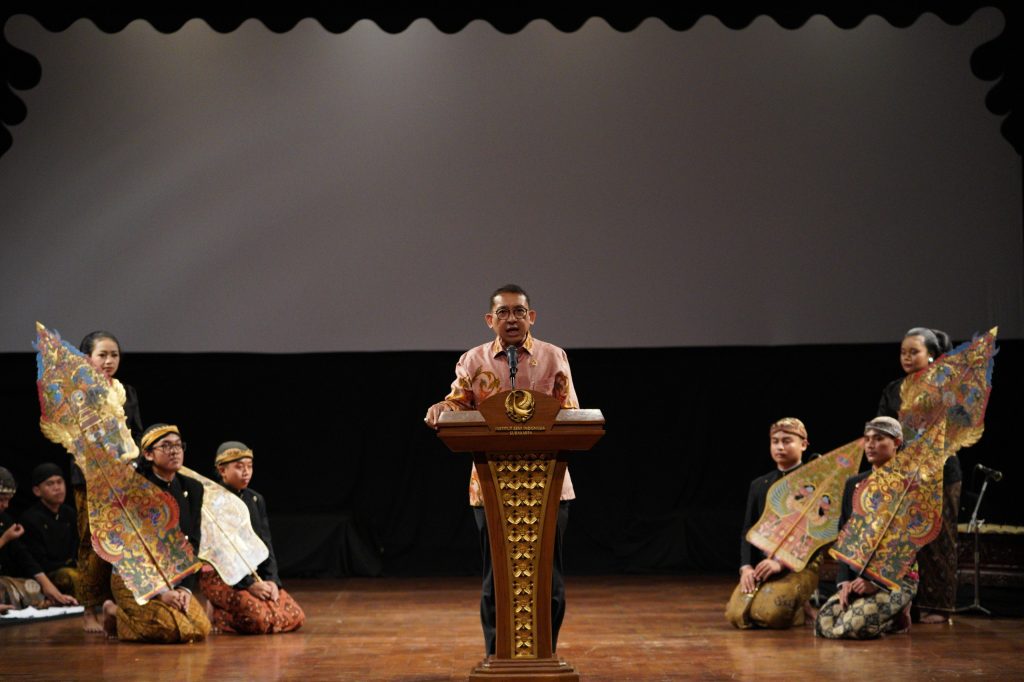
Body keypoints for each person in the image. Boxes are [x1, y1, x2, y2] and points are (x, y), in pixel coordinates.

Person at [425, 284, 577, 656]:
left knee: (548, 581)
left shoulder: (554, 357)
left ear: (532, 317)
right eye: (504, 313)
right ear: (490, 320)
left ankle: (544, 655)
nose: (512, 319)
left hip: (549, 486)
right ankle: (497, 657)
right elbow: (457, 402)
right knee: (498, 580)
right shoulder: (473, 360)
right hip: (490, 485)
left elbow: (571, 414)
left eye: (519, 312)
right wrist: (441, 408)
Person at [877, 326, 958, 624]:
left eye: (914, 352)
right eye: (903, 352)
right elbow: (883, 426)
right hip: (903, 472)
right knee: (904, 539)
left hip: (939, 472)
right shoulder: (892, 389)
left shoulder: (945, 388)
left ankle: (941, 606)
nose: (907, 357)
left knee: (938, 538)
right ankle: (907, 603)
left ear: (932, 355)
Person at [101, 424, 210, 642]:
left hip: (174, 578)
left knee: (200, 628)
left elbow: (192, 544)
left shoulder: (193, 488)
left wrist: (184, 591)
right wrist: (160, 593)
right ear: (148, 454)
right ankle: (115, 612)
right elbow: (130, 551)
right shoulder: (133, 490)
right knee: (176, 629)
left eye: (178, 445)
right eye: (166, 446)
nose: (175, 451)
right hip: (134, 577)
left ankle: (129, 614)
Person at [815, 417, 917, 639]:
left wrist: (875, 582)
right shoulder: (854, 483)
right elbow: (845, 534)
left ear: (897, 442)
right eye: (867, 439)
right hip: (857, 577)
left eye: (879, 439)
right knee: (823, 623)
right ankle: (886, 616)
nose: (870, 445)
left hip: (895, 580)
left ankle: (897, 615)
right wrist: (844, 581)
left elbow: (910, 541)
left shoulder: (910, 485)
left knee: (853, 627)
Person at [74, 330, 144, 632]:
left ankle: (114, 605)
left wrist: (134, 460)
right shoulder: (77, 392)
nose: (109, 360)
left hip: (123, 477)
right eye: (102, 354)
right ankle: (89, 610)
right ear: (87, 358)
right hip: (90, 477)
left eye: (114, 355)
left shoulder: (127, 390)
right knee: (91, 544)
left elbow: (138, 434)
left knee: (120, 543)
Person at [199, 441, 305, 634]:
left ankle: (234, 612)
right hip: (223, 576)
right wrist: (250, 585)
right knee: (262, 620)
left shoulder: (255, 499)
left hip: (253, 573)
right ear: (222, 470)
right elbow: (221, 553)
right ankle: (217, 614)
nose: (246, 472)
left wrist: (271, 580)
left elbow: (265, 543)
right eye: (239, 467)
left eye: (249, 466)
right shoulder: (212, 502)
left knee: (294, 616)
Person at [726, 418, 821, 629]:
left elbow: (819, 534)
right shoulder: (760, 485)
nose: (780, 446)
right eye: (775, 441)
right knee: (736, 615)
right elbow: (748, 530)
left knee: (770, 615)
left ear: (804, 444)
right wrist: (747, 568)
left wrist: (781, 562)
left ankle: (800, 609)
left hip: (798, 565)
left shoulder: (817, 482)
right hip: (763, 565)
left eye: (787, 441)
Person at [0, 466, 78, 609]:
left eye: (8, 500)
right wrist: (4, 539)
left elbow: (23, 555)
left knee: (32, 588)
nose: (6, 505)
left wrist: (49, 588)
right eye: (1, 500)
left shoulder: (5, 520)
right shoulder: (30, 518)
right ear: (37, 490)